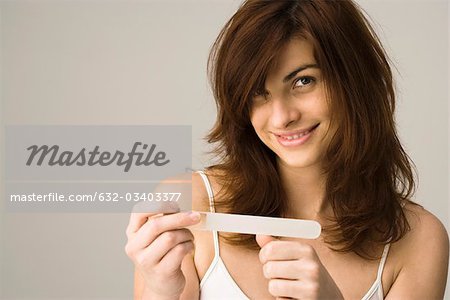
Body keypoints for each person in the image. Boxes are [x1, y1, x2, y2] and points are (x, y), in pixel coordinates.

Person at [125, 0, 449, 299]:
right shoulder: (192, 203)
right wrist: (158, 289)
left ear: (354, 79)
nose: (282, 117)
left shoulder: (417, 240)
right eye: (258, 92)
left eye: (303, 81)